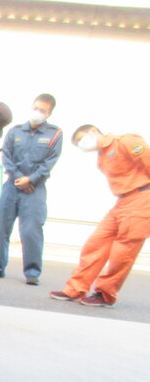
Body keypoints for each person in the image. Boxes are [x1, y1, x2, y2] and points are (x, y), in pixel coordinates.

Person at [49, 125, 150, 308]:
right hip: (122, 202)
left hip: (142, 199)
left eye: (81, 138)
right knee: (95, 244)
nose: (82, 144)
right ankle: (75, 288)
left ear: (94, 131)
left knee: (122, 253)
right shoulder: (102, 157)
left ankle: (105, 293)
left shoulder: (125, 141)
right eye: (78, 143)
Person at [0, 94, 63, 285]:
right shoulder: (15, 131)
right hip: (13, 185)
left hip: (35, 188)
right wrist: (20, 178)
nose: (38, 113)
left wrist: (31, 179)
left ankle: (32, 272)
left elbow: (49, 162)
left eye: (42, 110)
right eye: (35, 108)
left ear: (49, 113)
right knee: (2, 226)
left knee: (31, 231)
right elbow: (7, 157)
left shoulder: (55, 134)